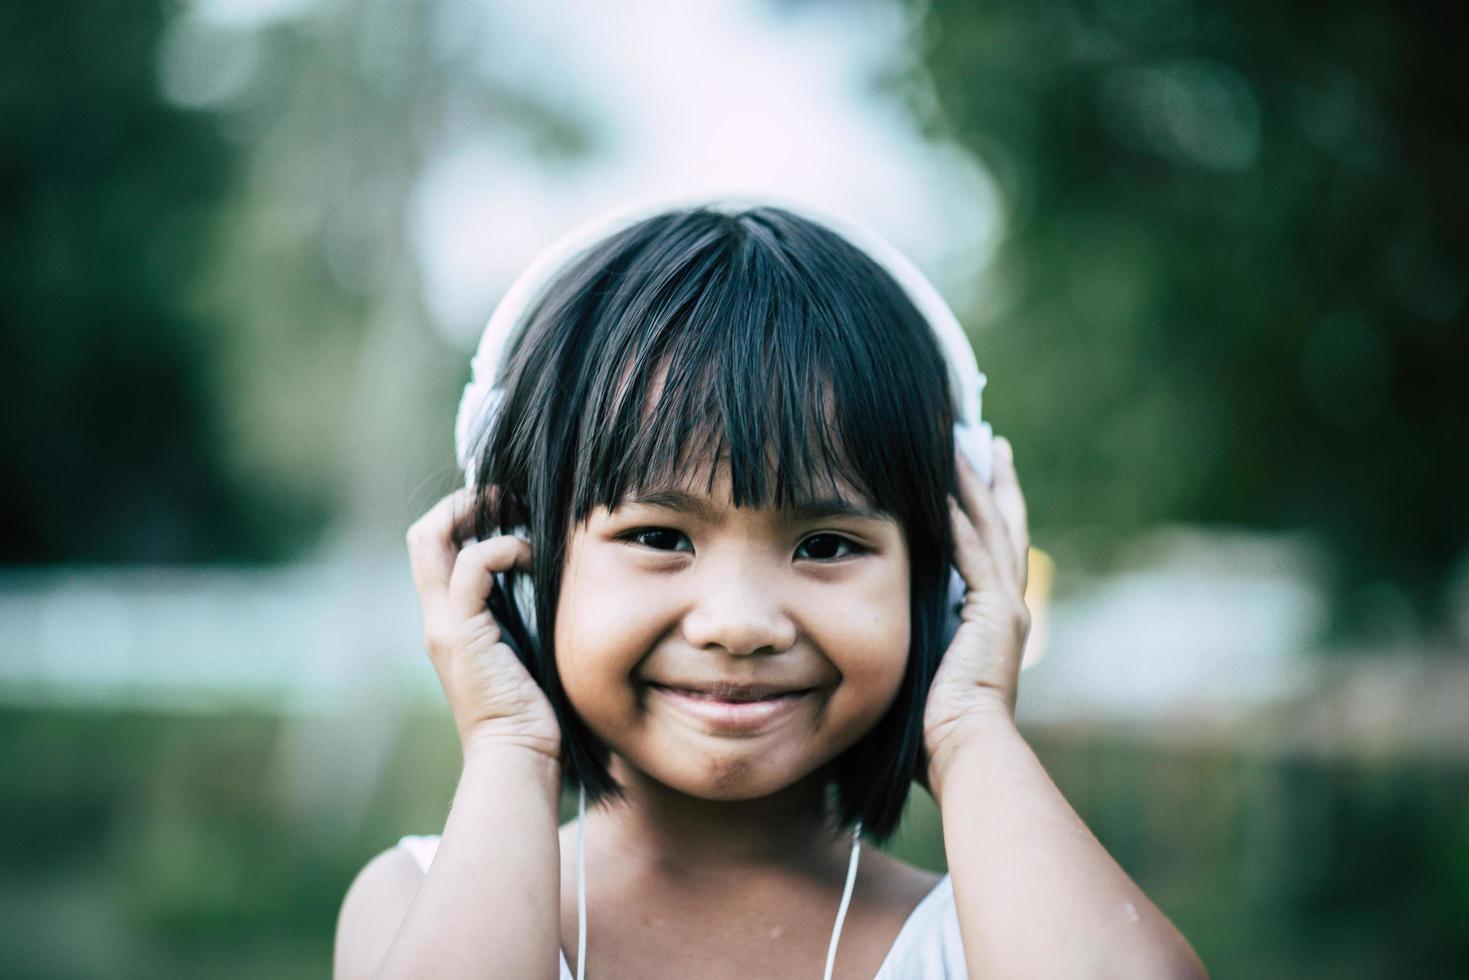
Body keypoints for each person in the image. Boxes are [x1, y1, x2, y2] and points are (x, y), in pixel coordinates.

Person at [333, 199, 1207, 979]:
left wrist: (969, 720)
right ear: (518, 566)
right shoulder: (412, 902)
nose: (739, 625)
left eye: (825, 544)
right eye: (658, 536)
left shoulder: (992, 939)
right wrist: (509, 748)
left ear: (943, 580)